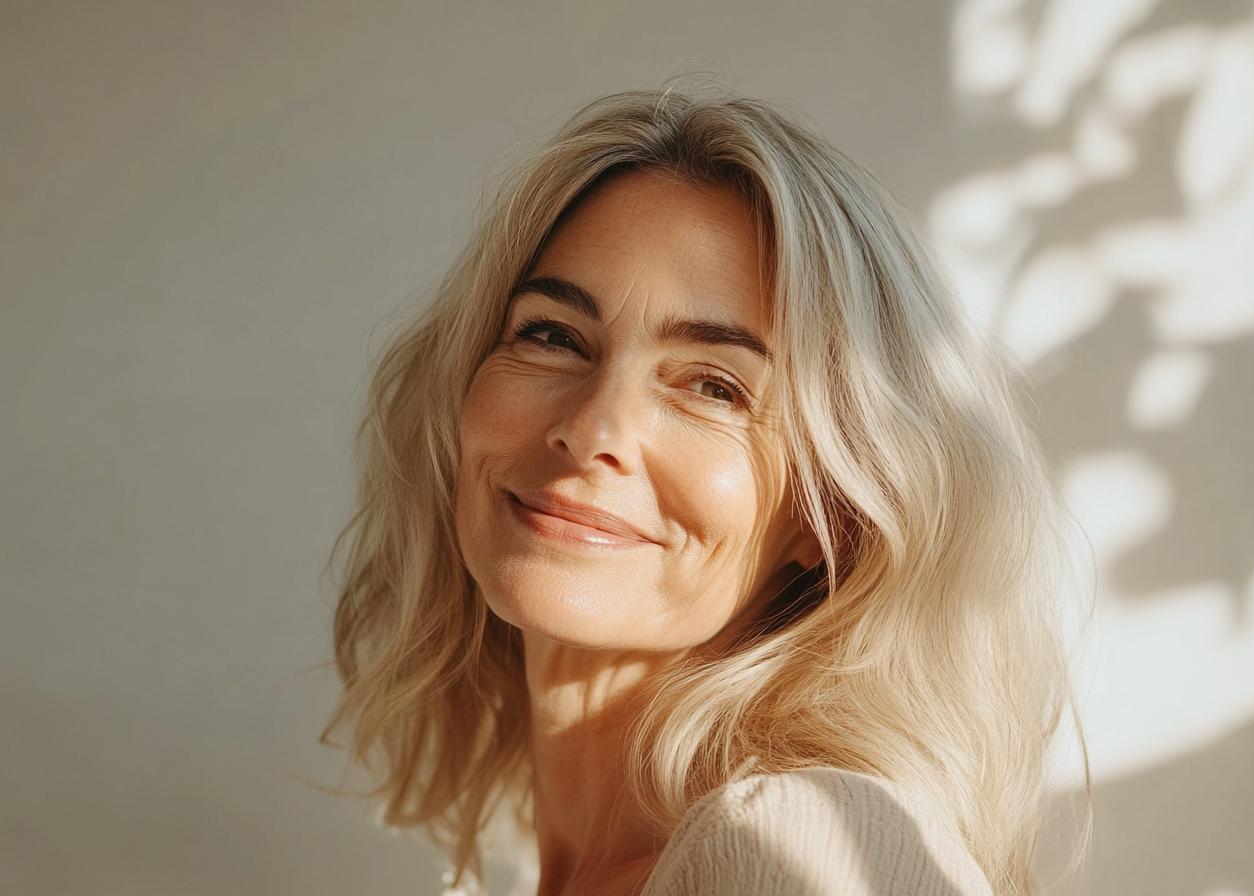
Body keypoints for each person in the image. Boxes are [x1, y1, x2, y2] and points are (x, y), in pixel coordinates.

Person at [324, 87, 1076, 896]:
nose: (594, 430)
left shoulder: (788, 845)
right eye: (552, 335)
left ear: (837, 518)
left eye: (715, 387)